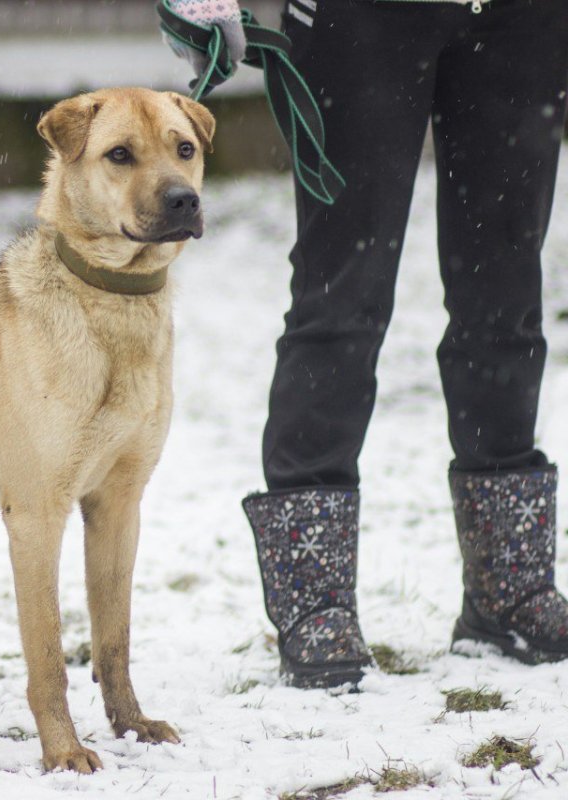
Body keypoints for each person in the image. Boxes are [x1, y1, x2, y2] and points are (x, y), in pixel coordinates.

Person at [165, 0, 568, 688]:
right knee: (343, 294)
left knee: (506, 291)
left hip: (522, 19)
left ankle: (509, 590)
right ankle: (315, 598)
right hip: (361, 19)